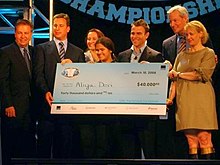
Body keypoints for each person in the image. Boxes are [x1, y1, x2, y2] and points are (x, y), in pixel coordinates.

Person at [159, 5, 215, 158]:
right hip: (183, 98)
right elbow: (174, 78)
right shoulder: (178, 53)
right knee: (190, 140)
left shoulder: (207, 51)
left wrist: (178, 74)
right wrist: (170, 99)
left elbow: (203, 73)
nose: (189, 37)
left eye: (191, 34)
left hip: (201, 96)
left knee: (204, 137)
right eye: (170, 21)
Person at [33, 13, 85, 158]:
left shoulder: (78, 52)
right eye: (55, 25)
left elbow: (82, 79)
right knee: (44, 148)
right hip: (46, 108)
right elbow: (38, 74)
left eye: (61, 25)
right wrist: (45, 92)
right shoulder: (42, 48)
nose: (57, 28)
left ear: (68, 28)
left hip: (68, 110)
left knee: (64, 149)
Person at [117, 19, 164, 158]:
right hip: (126, 113)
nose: (135, 36)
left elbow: (160, 83)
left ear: (147, 35)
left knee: (149, 153)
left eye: (139, 33)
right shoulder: (122, 56)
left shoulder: (156, 56)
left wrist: (149, 70)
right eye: (132, 33)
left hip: (146, 114)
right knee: (129, 154)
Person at [0, 19, 36, 164]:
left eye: (26, 33)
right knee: (11, 147)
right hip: (13, 108)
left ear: (31, 34)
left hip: (30, 109)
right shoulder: (6, 52)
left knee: (27, 148)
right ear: (15, 34)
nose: (23, 36)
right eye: (20, 33)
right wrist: (8, 104)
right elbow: (2, 81)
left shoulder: (34, 52)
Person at [80, 36, 118, 158]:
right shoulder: (92, 67)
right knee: (90, 147)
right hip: (93, 115)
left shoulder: (120, 67)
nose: (99, 53)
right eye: (97, 50)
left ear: (110, 50)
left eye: (102, 50)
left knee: (106, 148)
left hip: (112, 117)